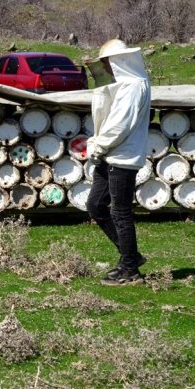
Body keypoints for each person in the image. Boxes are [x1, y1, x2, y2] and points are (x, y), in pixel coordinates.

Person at [86, 39, 151, 286]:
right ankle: (131, 257)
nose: (106, 68)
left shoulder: (134, 85)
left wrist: (99, 145)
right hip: (110, 154)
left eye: (107, 63)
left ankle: (129, 270)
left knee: (120, 212)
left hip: (122, 157)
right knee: (95, 205)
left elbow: (120, 125)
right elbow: (106, 114)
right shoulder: (125, 84)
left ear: (118, 61)